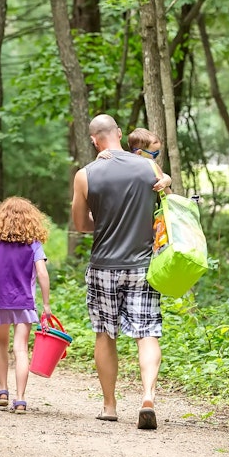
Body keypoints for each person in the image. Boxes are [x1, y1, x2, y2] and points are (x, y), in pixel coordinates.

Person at [71, 114, 163, 430]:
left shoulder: (85, 175)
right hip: (142, 265)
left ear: (94, 140)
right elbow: (165, 207)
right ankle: (148, 396)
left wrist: (106, 223)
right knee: (147, 332)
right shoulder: (149, 168)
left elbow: (81, 225)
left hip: (103, 267)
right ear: (120, 134)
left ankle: (110, 406)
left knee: (105, 334)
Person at [0, 197, 52, 415]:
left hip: (1, 303)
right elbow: (42, 273)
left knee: (1, 345)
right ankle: (20, 399)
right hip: (25, 304)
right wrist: (46, 305)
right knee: (20, 349)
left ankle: (3, 391)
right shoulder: (34, 245)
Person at [97, 127, 172, 193]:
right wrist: (99, 159)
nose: (156, 157)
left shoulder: (152, 166)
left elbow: (165, 177)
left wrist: (164, 182)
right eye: (154, 153)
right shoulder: (125, 162)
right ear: (139, 153)